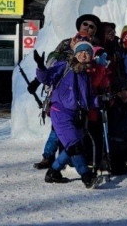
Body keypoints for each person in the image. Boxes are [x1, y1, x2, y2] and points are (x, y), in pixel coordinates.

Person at [34, 41, 102, 189]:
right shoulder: (63, 66)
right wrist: (40, 67)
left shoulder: (85, 75)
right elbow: (46, 78)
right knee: (74, 146)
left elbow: (88, 99)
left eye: (87, 53)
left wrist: (101, 100)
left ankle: (53, 172)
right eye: (81, 52)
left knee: (70, 147)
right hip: (61, 112)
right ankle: (86, 176)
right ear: (75, 54)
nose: (84, 55)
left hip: (78, 116)